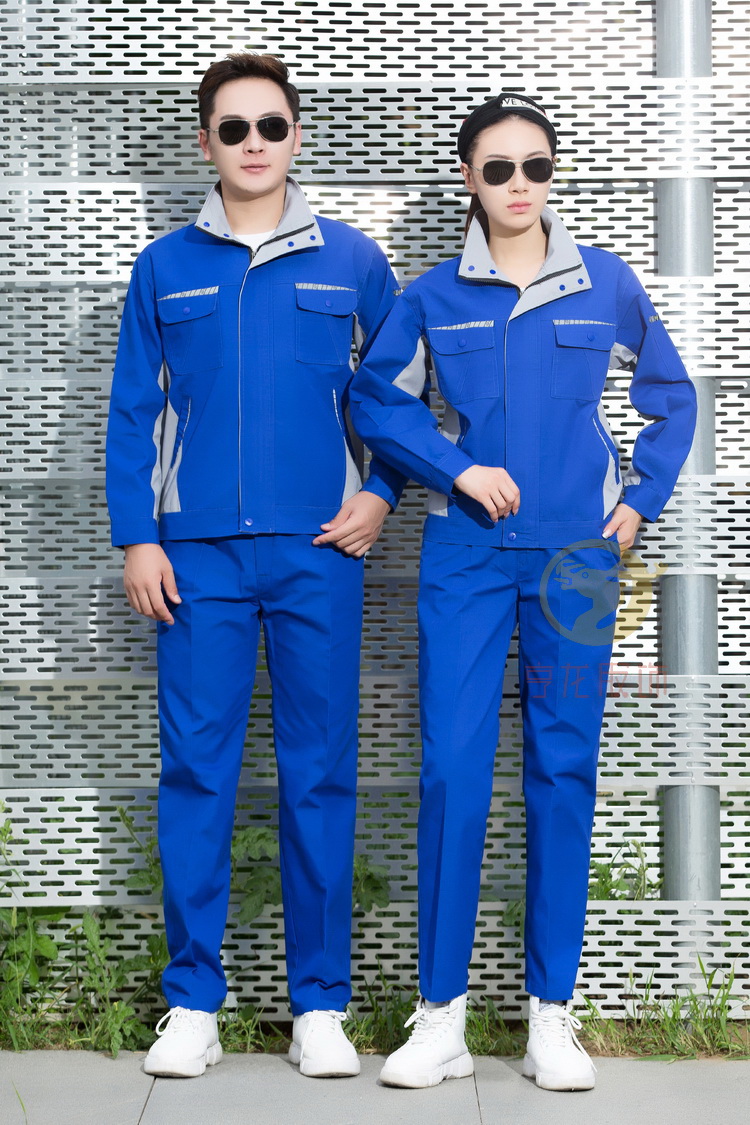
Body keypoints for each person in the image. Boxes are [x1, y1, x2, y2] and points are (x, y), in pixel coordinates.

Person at [349, 92, 697, 1091]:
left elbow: (672, 399)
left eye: (534, 166)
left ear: (552, 174)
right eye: (497, 168)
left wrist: (636, 506)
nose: (517, 184)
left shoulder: (608, 284)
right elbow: (375, 398)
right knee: (453, 771)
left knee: (564, 768)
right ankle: (441, 1018)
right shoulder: (432, 295)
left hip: (579, 563)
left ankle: (552, 1016)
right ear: (469, 178)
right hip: (465, 555)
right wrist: (456, 468)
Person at [106, 52, 405, 1080]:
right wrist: (138, 535)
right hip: (196, 561)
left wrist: (382, 494)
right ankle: (194, 1003)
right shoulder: (164, 267)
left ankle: (320, 1005)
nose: (253, 144)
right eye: (232, 128)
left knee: (319, 774)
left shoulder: (354, 261)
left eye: (270, 125)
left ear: (296, 135)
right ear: (206, 142)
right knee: (197, 773)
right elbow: (132, 412)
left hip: (321, 553)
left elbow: (398, 396)